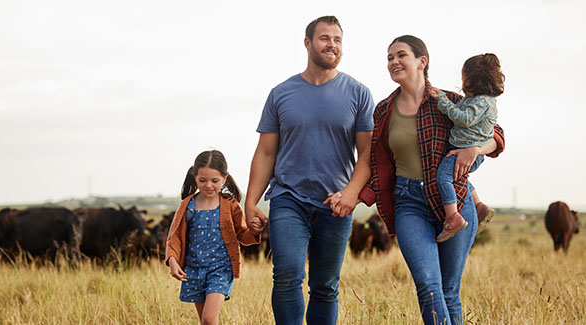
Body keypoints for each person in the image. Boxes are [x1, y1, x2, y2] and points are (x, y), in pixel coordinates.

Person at [358, 35, 505, 325]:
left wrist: (476, 148)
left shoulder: (451, 102)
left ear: (421, 61)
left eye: (401, 55)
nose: (394, 61)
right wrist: (357, 196)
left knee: (449, 292)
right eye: (389, 57)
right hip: (408, 203)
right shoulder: (383, 111)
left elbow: (497, 134)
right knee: (428, 286)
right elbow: (374, 163)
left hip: (456, 201)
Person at [244, 15, 375, 325]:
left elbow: (368, 152)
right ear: (308, 43)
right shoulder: (281, 93)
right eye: (325, 38)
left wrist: (351, 193)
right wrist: (250, 202)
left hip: (336, 202)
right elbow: (265, 153)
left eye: (337, 40)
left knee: (325, 287)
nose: (332, 45)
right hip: (289, 197)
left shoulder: (358, 93)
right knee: (287, 274)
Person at [165, 150, 264, 325]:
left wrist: (255, 231)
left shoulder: (230, 204)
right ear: (195, 177)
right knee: (205, 321)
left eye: (215, 181)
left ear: (224, 179)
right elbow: (174, 238)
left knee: (209, 319)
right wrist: (173, 261)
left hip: (220, 269)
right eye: (202, 180)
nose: (208, 185)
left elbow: (243, 234)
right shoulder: (187, 205)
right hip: (194, 270)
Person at [428, 53, 505, 242]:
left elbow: (463, 118)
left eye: (464, 79)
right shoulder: (476, 101)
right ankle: (479, 205)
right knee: (457, 178)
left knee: (443, 178)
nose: (461, 83)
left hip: (465, 151)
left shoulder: (481, 102)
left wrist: (443, 101)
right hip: (465, 150)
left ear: (473, 80)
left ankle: (452, 217)